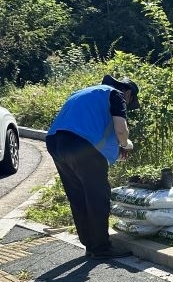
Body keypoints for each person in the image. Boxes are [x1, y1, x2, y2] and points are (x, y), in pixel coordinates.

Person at [45, 74, 140, 259]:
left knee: (78, 195)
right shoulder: (116, 94)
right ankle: (101, 248)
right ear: (128, 93)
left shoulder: (83, 93)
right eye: (131, 101)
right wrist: (126, 144)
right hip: (80, 145)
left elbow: (89, 129)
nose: (128, 104)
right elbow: (121, 129)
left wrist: (112, 152)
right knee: (98, 196)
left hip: (55, 142)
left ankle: (90, 244)